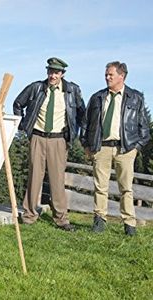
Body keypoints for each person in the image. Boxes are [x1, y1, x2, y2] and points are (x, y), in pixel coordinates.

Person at [13, 57, 85, 231]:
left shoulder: (72, 90)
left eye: (57, 72)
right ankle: (29, 215)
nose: (53, 75)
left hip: (59, 140)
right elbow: (17, 103)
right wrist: (23, 124)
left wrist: (76, 135)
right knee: (34, 177)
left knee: (57, 180)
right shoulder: (36, 87)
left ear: (62, 74)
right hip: (37, 137)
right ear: (47, 71)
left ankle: (61, 219)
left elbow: (82, 114)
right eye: (50, 71)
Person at [80, 61, 150, 236]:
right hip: (101, 148)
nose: (107, 77)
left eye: (110, 74)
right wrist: (86, 145)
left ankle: (129, 224)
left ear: (122, 76)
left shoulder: (135, 97)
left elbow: (144, 128)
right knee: (100, 187)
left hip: (125, 149)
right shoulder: (97, 97)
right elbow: (86, 124)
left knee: (126, 188)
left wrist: (136, 148)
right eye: (106, 74)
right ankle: (99, 221)